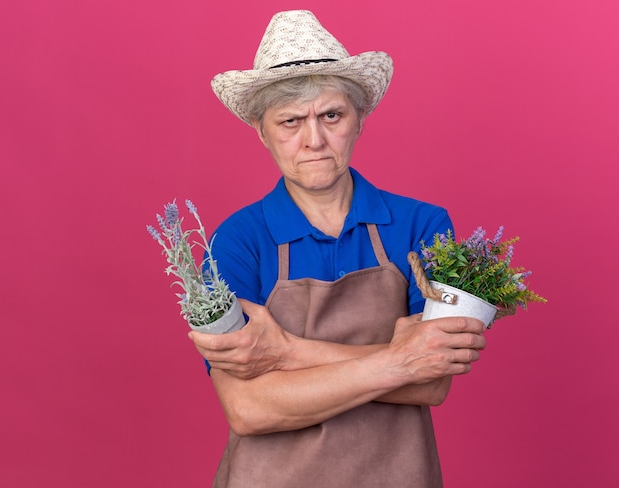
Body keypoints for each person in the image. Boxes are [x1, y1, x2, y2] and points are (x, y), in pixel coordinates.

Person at [188, 10, 486, 488]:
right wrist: (400, 359)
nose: (314, 141)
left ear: (359, 119)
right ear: (262, 133)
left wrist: (285, 351)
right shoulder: (234, 241)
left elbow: (431, 382)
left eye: (331, 115)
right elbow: (247, 408)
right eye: (290, 121)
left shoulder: (423, 226)